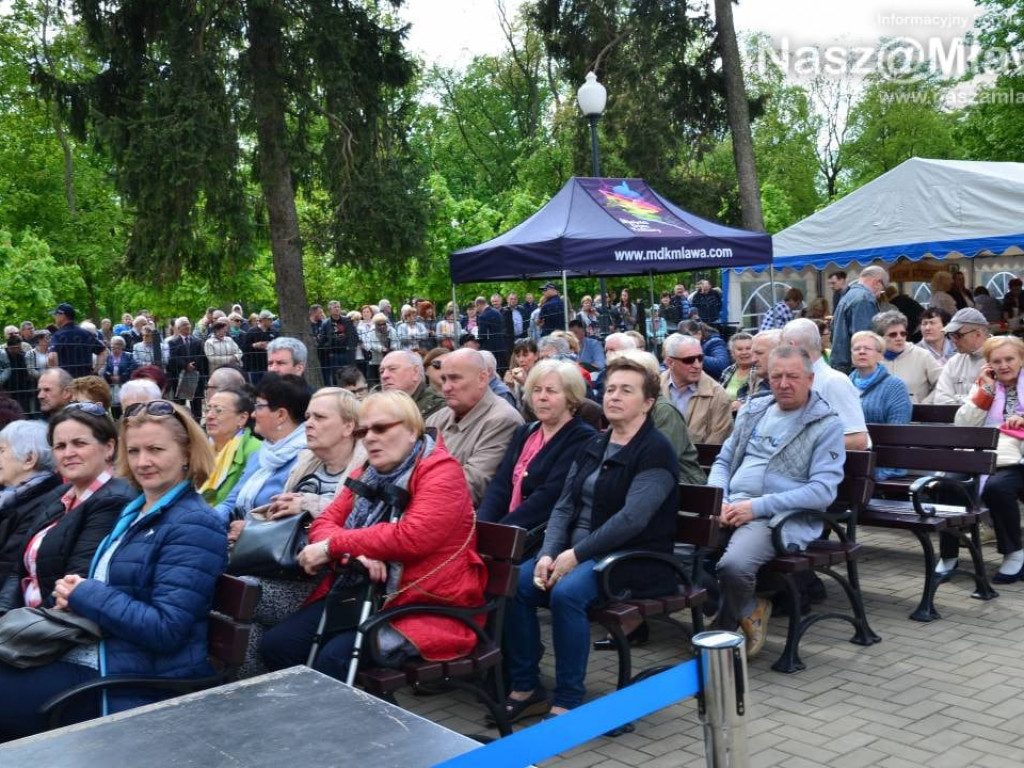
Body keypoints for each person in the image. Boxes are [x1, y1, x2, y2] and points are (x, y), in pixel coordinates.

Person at [0, 400, 225, 738]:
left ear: (187, 453)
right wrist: (74, 594)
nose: (142, 462)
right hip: (99, 658)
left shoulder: (194, 523)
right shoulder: (137, 512)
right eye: (133, 451)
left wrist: (86, 593)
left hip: (133, 681)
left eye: (155, 450)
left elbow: (165, 629)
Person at [259, 390, 487, 681]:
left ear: (412, 430)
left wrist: (335, 547)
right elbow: (325, 522)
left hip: (423, 606)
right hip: (363, 595)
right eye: (364, 431)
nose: (369, 438)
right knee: (278, 645)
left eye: (380, 428)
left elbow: (411, 537)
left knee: (333, 660)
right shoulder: (368, 471)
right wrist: (359, 554)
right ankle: (320, 710)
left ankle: (344, 712)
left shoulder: (441, 471)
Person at [502, 356, 680, 718]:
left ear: (648, 402)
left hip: (633, 557)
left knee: (567, 593)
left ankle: (568, 697)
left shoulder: (655, 450)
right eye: (610, 389)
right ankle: (526, 685)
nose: (613, 396)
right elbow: (564, 505)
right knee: (517, 583)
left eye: (626, 391)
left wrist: (576, 555)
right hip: (579, 552)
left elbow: (631, 520)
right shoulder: (596, 443)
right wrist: (549, 552)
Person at [708, 346, 845, 657]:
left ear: (810, 379)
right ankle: (749, 607)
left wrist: (755, 507)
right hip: (730, 507)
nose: (783, 384)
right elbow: (723, 461)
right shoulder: (753, 411)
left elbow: (822, 491)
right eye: (776, 376)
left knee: (734, 566)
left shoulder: (826, 424)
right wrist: (719, 500)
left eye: (792, 376)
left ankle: (722, 633)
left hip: (776, 518)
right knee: (674, 547)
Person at [231, 388, 367, 676]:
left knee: (238, 594)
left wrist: (309, 504)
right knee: (242, 622)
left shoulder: (366, 467)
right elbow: (284, 513)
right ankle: (256, 691)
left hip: (323, 578)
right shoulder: (307, 461)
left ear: (348, 426)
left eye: (320, 417)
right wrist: (257, 523)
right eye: (307, 417)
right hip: (285, 567)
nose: (309, 424)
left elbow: (360, 523)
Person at [0, 404, 138, 615]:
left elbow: (74, 584)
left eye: (79, 443)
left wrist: (18, 625)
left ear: (109, 447)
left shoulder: (113, 500)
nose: (68, 453)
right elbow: (18, 569)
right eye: (60, 446)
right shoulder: (61, 493)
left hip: (56, 624)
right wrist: (4, 614)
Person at [939, 336, 1024, 584]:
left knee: (998, 488)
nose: (1003, 365)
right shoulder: (985, 386)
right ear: (988, 365)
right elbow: (964, 425)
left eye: (1010, 359)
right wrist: (985, 393)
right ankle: (948, 555)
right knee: (949, 484)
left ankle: (1014, 553)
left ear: (1021, 359)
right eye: (996, 361)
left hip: (1018, 460)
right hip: (983, 455)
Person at [477, 360, 595, 529]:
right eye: (537, 390)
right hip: (504, 528)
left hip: (540, 534)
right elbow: (500, 485)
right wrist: (482, 525)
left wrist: (501, 532)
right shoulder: (525, 432)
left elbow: (549, 497)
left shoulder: (582, 437)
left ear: (570, 397)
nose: (542, 397)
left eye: (551, 391)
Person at [425, 349, 524, 506]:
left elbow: (471, 486)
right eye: (444, 379)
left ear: (482, 378)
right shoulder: (435, 419)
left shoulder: (502, 420)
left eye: (455, 378)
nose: (446, 387)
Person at [213, 374, 309, 522]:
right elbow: (230, 503)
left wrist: (247, 528)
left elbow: (287, 519)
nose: (253, 414)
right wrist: (202, 520)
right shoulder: (259, 455)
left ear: (281, 415)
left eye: (258, 406)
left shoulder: (306, 461)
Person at [782, 319, 869, 450]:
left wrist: (802, 447)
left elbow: (858, 440)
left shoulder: (833, 381)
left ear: (792, 346)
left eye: (780, 347)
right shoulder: (795, 382)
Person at [0, 421, 63, 598]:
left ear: (29, 459)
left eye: (2, 450)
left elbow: (7, 566)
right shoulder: (13, 498)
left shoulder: (42, 503)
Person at [849, 331, 912, 478]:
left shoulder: (894, 386)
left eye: (867, 348)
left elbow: (898, 431)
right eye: (857, 349)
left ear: (880, 355)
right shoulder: (845, 384)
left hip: (883, 460)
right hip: (850, 458)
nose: (862, 352)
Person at [660, 333, 732, 444]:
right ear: (670, 362)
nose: (697, 365)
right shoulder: (653, 387)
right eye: (689, 360)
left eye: (700, 358)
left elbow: (716, 442)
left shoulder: (717, 394)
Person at [200, 385, 262, 509]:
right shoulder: (200, 449)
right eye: (208, 409)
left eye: (218, 410)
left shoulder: (255, 451)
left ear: (242, 418)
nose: (209, 416)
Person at [873, 310, 942, 404]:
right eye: (893, 335)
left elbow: (942, 383)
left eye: (903, 334)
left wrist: (924, 405)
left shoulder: (922, 355)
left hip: (917, 411)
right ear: (880, 337)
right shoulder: (872, 358)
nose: (899, 338)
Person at [830, 266, 889, 373]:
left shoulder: (847, 296)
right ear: (877, 282)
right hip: (855, 369)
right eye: (882, 290)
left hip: (841, 366)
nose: (880, 295)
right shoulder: (865, 299)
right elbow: (864, 340)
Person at [933, 308, 991, 405]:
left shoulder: (1000, 359)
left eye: (958, 335)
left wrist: (957, 398)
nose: (953, 340)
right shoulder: (953, 362)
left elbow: (992, 401)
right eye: (951, 335)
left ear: (978, 334)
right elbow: (940, 399)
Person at [379, 350, 445, 420]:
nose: (384, 376)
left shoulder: (438, 411)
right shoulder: (377, 408)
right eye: (381, 371)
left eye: (392, 369)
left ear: (415, 372)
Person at [47, 303, 106, 378]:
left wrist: (56, 375)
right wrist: (95, 371)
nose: (55, 317)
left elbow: (51, 357)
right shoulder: (86, 333)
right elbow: (103, 352)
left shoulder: (58, 335)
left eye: (56, 315)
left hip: (67, 379)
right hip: (85, 379)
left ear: (62, 316)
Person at [166, 317, 209, 419]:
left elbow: (201, 356)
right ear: (178, 328)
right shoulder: (173, 343)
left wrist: (193, 365)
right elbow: (173, 359)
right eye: (184, 324)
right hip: (180, 377)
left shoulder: (197, 341)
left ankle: (197, 423)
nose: (187, 326)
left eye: (188, 324)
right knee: (180, 405)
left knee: (196, 405)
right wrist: (186, 366)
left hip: (195, 375)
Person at [241, 311, 279, 386]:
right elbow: (244, 348)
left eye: (272, 319)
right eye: (270, 319)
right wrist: (254, 345)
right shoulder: (251, 332)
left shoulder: (274, 332)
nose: (272, 321)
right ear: (263, 320)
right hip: (255, 367)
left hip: (270, 365)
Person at [720, 332, 755, 410]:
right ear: (732, 353)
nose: (744, 352)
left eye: (748, 348)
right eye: (739, 349)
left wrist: (742, 403)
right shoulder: (727, 371)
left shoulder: (759, 372)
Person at [364, 312, 396, 386]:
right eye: (379, 324)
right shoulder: (371, 331)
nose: (382, 326)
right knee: (376, 380)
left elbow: (396, 341)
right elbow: (370, 344)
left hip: (390, 358)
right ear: (375, 324)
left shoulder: (391, 330)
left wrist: (392, 347)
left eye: (383, 324)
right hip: (376, 360)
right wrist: (381, 348)